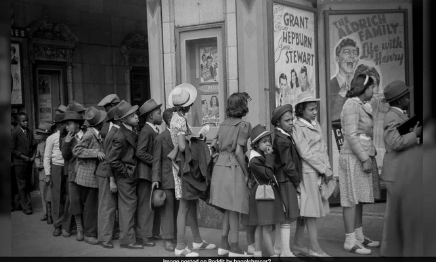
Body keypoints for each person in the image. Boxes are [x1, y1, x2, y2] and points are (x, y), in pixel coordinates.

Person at [169, 83, 216, 257]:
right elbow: (182, 146)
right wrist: (197, 138)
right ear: (187, 105)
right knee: (184, 205)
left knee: (190, 203)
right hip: (184, 167)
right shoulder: (180, 120)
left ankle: (196, 240)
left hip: (182, 165)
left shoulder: (175, 118)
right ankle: (180, 246)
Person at [339, 74, 381, 255]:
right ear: (364, 88)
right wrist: (365, 158)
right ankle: (350, 240)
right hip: (353, 157)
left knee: (359, 199)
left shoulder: (362, 105)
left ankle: (359, 236)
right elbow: (350, 134)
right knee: (350, 199)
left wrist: (369, 154)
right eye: (372, 87)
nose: (374, 91)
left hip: (361, 156)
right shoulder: (351, 104)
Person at [380, 81, 422, 256]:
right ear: (398, 101)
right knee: (394, 214)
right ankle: (389, 249)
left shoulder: (399, 115)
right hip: (395, 173)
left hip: (399, 172)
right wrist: (415, 134)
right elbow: (395, 142)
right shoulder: (391, 117)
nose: (409, 97)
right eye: (406, 96)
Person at [292, 91, 334, 258]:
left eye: (315, 108)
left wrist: (327, 169)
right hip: (308, 172)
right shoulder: (297, 126)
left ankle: (297, 244)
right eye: (311, 109)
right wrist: (324, 168)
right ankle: (315, 248)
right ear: (301, 110)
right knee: (310, 212)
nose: (315, 112)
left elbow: (323, 148)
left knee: (307, 210)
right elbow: (305, 152)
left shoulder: (315, 124)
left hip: (318, 171)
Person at [210, 92, 252, 257]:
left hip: (220, 166)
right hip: (233, 167)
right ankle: (234, 247)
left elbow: (216, 144)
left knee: (227, 209)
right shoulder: (243, 125)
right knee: (235, 208)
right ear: (242, 107)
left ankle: (224, 244)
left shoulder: (223, 124)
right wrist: (246, 171)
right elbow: (239, 151)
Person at [244, 124, 285, 257]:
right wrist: (269, 157)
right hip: (262, 196)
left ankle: (257, 252)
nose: (268, 143)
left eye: (269, 141)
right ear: (256, 144)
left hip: (265, 195)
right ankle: (272, 255)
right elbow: (268, 174)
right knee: (266, 226)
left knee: (261, 225)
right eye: (264, 141)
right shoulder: (254, 160)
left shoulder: (261, 155)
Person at [108, 101, 143, 249]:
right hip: (126, 177)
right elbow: (112, 160)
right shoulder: (120, 135)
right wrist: (127, 172)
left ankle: (129, 237)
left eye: (135, 114)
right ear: (123, 120)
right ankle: (127, 240)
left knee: (129, 206)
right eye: (132, 115)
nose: (136, 117)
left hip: (130, 175)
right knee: (128, 207)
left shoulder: (132, 130)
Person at [72, 107, 107, 246]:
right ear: (99, 123)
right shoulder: (89, 135)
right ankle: (89, 234)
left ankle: (92, 231)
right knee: (90, 206)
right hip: (87, 177)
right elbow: (77, 150)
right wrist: (95, 152)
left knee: (92, 205)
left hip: (90, 176)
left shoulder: (94, 133)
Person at [270, 104, 301, 258]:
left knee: (282, 217)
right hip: (285, 181)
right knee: (287, 217)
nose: (291, 122)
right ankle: (286, 252)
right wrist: (297, 182)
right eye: (287, 120)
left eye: (292, 119)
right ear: (278, 123)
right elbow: (288, 165)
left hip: (284, 180)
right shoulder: (282, 140)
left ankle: (277, 249)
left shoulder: (284, 136)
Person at [135, 99, 163, 247]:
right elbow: (140, 152)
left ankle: (150, 233)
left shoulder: (151, 129)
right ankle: (143, 236)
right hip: (145, 174)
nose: (161, 116)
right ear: (151, 116)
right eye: (159, 113)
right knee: (146, 205)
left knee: (151, 204)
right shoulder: (146, 130)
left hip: (150, 174)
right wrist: (156, 162)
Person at [95, 103, 123, 249]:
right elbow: (110, 160)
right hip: (106, 173)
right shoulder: (113, 133)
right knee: (107, 207)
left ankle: (107, 234)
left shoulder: (113, 131)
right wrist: (112, 180)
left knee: (109, 206)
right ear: (118, 119)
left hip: (106, 172)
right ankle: (104, 238)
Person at [152, 107, 179, 252]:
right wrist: (156, 179)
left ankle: (174, 235)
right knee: (167, 210)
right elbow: (156, 160)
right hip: (167, 178)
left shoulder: (180, 136)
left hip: (179, 179)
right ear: (170, 121)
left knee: (177, 209)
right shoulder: (160, 138)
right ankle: (167, 239)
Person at [59, 110, 85, 240]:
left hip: (87, 174)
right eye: (66, 124)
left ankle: (73, 227)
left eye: (69, 124)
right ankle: (79, 229)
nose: (67, 127)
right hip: (73, 174)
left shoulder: (87, 135)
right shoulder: (65, 139)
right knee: (74, 201)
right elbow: (66, 156)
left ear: (78, 125)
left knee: (86, 201)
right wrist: (67, 142)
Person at [44, 113, 66, 236]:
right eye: (64, 124)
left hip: (68, 167)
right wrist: (47, 174)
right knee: (56, 197)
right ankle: (57, 224)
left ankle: (67, 224)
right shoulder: (51, 138)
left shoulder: (70, 136)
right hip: (56, 168)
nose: (66, 126)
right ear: (59, 125)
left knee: (67, 196)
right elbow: (47, 157)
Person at [330, 38, 360, 122]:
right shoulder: (329, 86)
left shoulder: (360, 86)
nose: (351, 56)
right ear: (337, 58)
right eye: (346, 52)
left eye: (355, 53)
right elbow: (331, 116)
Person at [11, 112, 36, 215]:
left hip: (28, 162)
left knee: (27, 184)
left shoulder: (29, 132)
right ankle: (26, 207)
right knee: (22, 185)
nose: (26, 122)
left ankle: (22, 204)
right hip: (19, 163)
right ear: (18, 122)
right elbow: (12, 149)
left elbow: (32, 144)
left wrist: (33, 155)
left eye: (27, 120)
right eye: (23, 121)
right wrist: (22, 156)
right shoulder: (15, 133)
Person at [34, 122, 53, 222]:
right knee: (43, 193)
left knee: (51, 194)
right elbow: (37, 157)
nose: (39, 135)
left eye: (40, 133)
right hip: (42, 173)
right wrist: (38, 164)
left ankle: (52, 214)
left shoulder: (52, 144)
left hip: (51, 172)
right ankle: (46, 213)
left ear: (46, 134)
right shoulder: (39, 145)